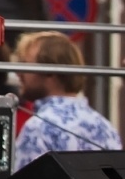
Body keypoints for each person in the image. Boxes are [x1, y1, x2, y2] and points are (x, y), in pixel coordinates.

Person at [13, 31, 121, 170]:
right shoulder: (106, 128)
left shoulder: (38, 128)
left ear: (50, 71)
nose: (18, 73)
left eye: (25, 64)